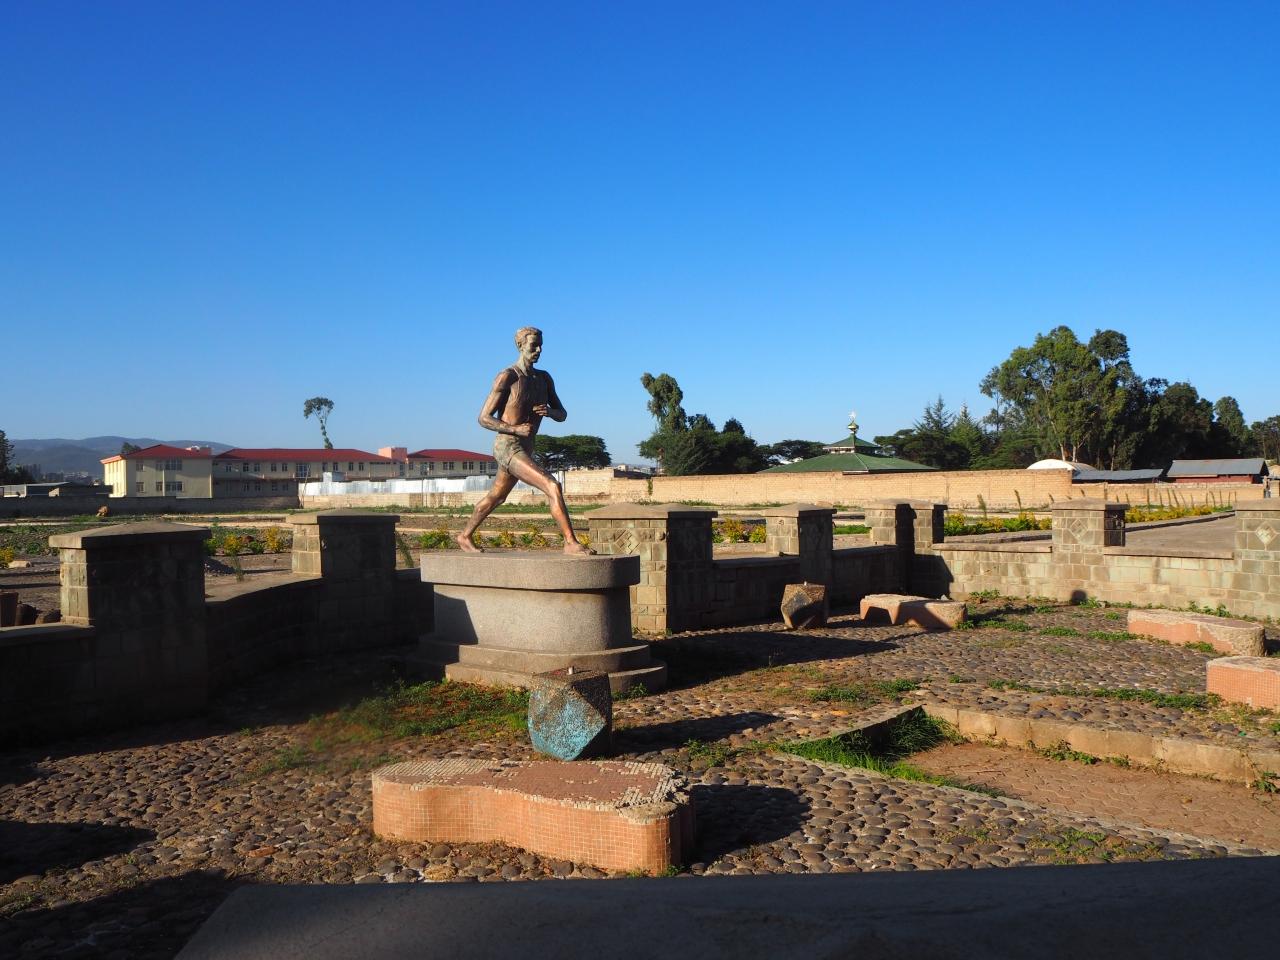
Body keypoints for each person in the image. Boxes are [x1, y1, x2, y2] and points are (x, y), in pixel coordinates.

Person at [455, 327, 594, 555]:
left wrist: (550, 412)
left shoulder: (544, 379)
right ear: (520, 346)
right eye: (533, 346)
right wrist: (514, 429)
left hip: (526, 448)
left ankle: (464, 535)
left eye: (540, 346)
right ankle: (570, 542)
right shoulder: (508, 376)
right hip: (507, 446)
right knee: (552, 485)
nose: (538, 350)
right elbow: (484, 418)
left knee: (497, 496)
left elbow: (562, 414)